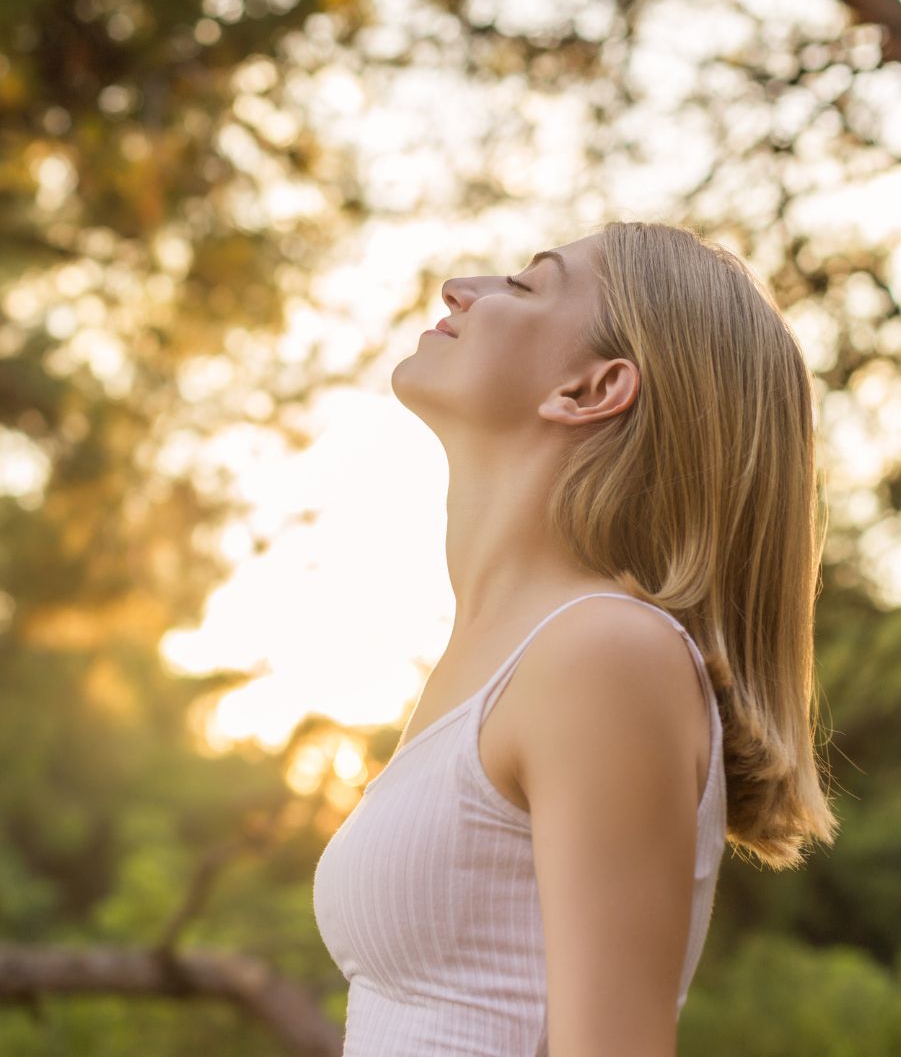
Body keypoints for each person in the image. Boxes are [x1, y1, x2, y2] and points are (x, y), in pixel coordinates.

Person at [312, 219, 839, 1056]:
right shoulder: (506, 654)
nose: (461, 287)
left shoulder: (602, 654)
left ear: (593, 390)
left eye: (523, 286)